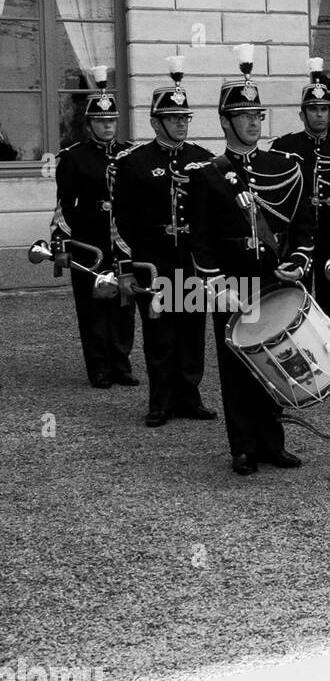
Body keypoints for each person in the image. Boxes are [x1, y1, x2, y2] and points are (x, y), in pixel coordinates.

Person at [187, 45, 315, 476]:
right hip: (232, 283)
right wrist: (215, 281)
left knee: (276, 358)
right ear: (224, 121)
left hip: (274, 278)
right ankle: (243, 446)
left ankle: (272, 442)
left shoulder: (286, 166)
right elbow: (200, 241)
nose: (252, 123)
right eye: (243, 116)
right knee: (237, 364)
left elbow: (303, 225)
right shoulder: (206, 174)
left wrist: (297, 260)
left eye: (258, 116)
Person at [111, 55, 216, 428]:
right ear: (155, 121)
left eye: (185, 118)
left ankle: (189, 397)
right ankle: (160, 402)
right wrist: (125, 270)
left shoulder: (204, 160)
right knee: (159, 335)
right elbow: (119, 222)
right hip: (154, 265)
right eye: (173, 118)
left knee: (191, 332)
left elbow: (212, 219)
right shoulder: (133, 163)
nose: (181, 124)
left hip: (190, 263)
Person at [50, 66, 136, 389]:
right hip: (90, 244)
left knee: (124, 305)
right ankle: (99, 368)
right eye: (100, 121)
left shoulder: (130, 154)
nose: (107, 126)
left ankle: (122, 364)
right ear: (89, 124)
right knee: (94, 308)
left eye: (111, 120)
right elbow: (63, 206)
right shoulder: (73, 158)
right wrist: (60, 242)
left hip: (123, 243)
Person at [269, 58, 330, 323]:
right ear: (302, 115)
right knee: (295, 292)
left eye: (323, 109)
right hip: (296, 236)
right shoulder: (283, 147)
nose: (319, 114)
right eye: (313, 109)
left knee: (329, 296)